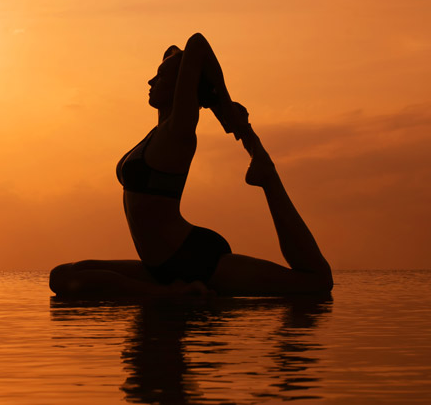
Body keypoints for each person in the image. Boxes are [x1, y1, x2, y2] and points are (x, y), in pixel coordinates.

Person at [49, 33, 333, 298]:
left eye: (160, 77)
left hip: (194, 260)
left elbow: (197, 42)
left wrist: (224, 106)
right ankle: (172, 293)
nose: (150, 81)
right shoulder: (156, 134)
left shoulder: (179, 132)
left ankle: (267, 175)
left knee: (316, 283)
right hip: (160, 267)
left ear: (181, 88)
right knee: (62, 277)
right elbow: (176, 54)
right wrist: (174, 64)